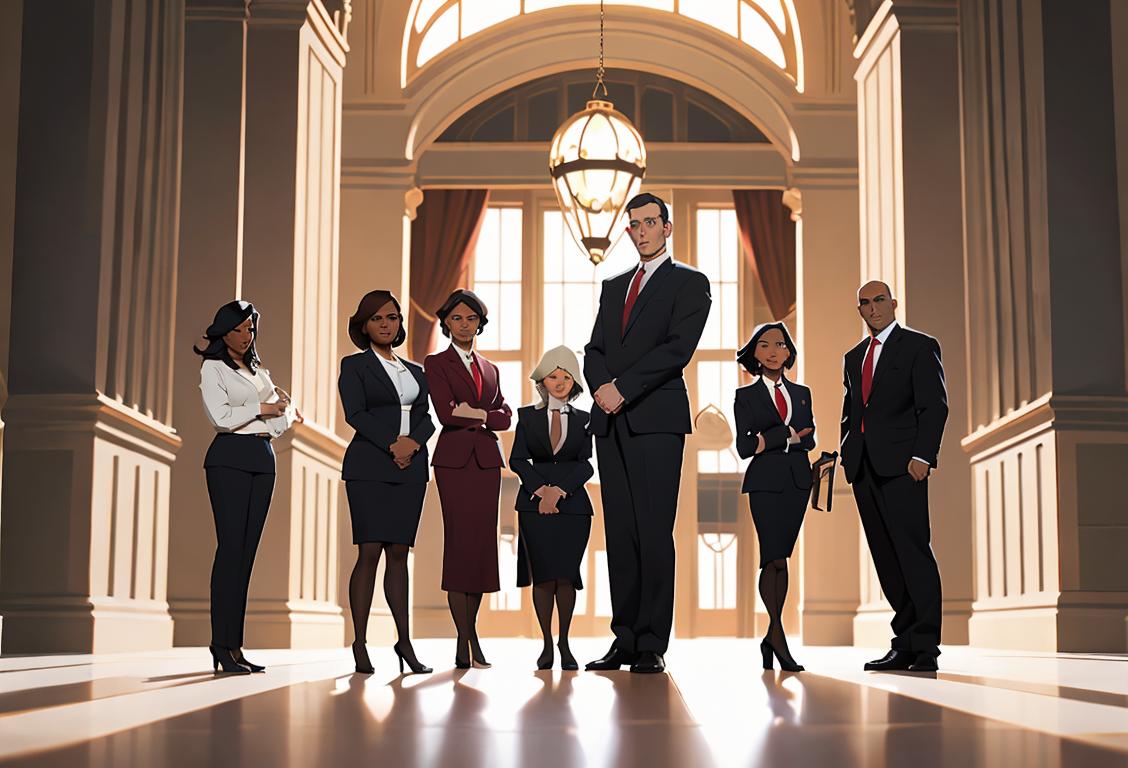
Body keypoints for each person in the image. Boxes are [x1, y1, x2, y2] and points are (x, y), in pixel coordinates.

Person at [583, 193, 712, 674]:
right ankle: (625, 639)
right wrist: (601, 388)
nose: (641, 231)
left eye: (650, 223)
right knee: (619, 533)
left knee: (654, 530)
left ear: (667, 228)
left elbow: (678, 350)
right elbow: (593, 347)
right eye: (633, 225)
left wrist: (623, 388)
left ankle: (653, 641)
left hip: (655, 420)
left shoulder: (690, 284)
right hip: (610, 419)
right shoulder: (613, 285)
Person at [841, 280, 948, 672]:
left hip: (905, 467)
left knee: (913, 553)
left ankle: (924, 648)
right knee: (886, 558)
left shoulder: (920, 346)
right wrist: (848, 453)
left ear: (894, 304)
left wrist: (923, 455)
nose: (873, 308)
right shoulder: (854, 357)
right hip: (864, 469)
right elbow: (852, 411)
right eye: (865, 303)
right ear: (860, 310)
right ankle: (903, 642)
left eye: (879, 300)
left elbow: (934, 407)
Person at [195, 300, 300, 674]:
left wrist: (278, 414)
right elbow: (220, 418)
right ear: (223, 332)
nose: (246, 335)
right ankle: (220, 644)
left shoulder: (259, 371)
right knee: (230, 552)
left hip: (262, 459)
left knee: (247, 557)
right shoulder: (213, 368)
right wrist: (262, 409)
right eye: (239, 329)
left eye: (250, 328)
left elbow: (281, 420)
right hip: (228, 459)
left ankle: (235, 647)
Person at [339, 290, 435, 675]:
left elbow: (428, 416)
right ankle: (360, 643)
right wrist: (391, 443)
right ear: (364, 325)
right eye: (377, 318)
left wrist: (412, 443)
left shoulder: (416, 371)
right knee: (369, 552)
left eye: (392, 317)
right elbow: (355, 413)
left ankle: (404, 643)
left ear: (400, 323)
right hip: (369, 466)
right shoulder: (353, 365)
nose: (385, 324)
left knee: (400, 554)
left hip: (410, 469)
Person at [424, 289, 512, 669]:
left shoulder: (491, 369)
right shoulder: (436, 362)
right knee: (459, 545)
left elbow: (506, 415)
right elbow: (446, 414)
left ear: (480, 323)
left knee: (480, 549)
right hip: (454, 462)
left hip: (488, 464)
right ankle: (464, 639)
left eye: (471, 318)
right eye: (456, 318)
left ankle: (471, 633)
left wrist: (474, 412)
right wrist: (484, 413)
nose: (464, 324)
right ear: (446, 323)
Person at [734, 322, 815, 673]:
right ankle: (778, 635)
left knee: (784, 557)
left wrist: (774, 440)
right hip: (765, 483)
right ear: (754, 353)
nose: (772, 350)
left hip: (798, 482)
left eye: (780, 344)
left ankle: (771, 635)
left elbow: (810, 439)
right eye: (764, 345)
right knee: (774, 558)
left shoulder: (802, 392)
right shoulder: (745, 396)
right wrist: (784, 435)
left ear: (788, 352)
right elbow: (744, 446)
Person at [509, 346, 594, 671]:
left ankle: (565, 642)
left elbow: (586, 465)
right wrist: (541, 490)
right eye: (553, 376)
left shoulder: (585, 420)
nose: (559, 382)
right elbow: (517, 459)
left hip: (573, 505)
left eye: (566, 376)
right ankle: (546, 643)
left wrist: (559, 491)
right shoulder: (526, 416)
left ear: (575, 382)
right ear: (542, 380)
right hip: (533, 504)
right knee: (544, 577)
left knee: (567, 576)